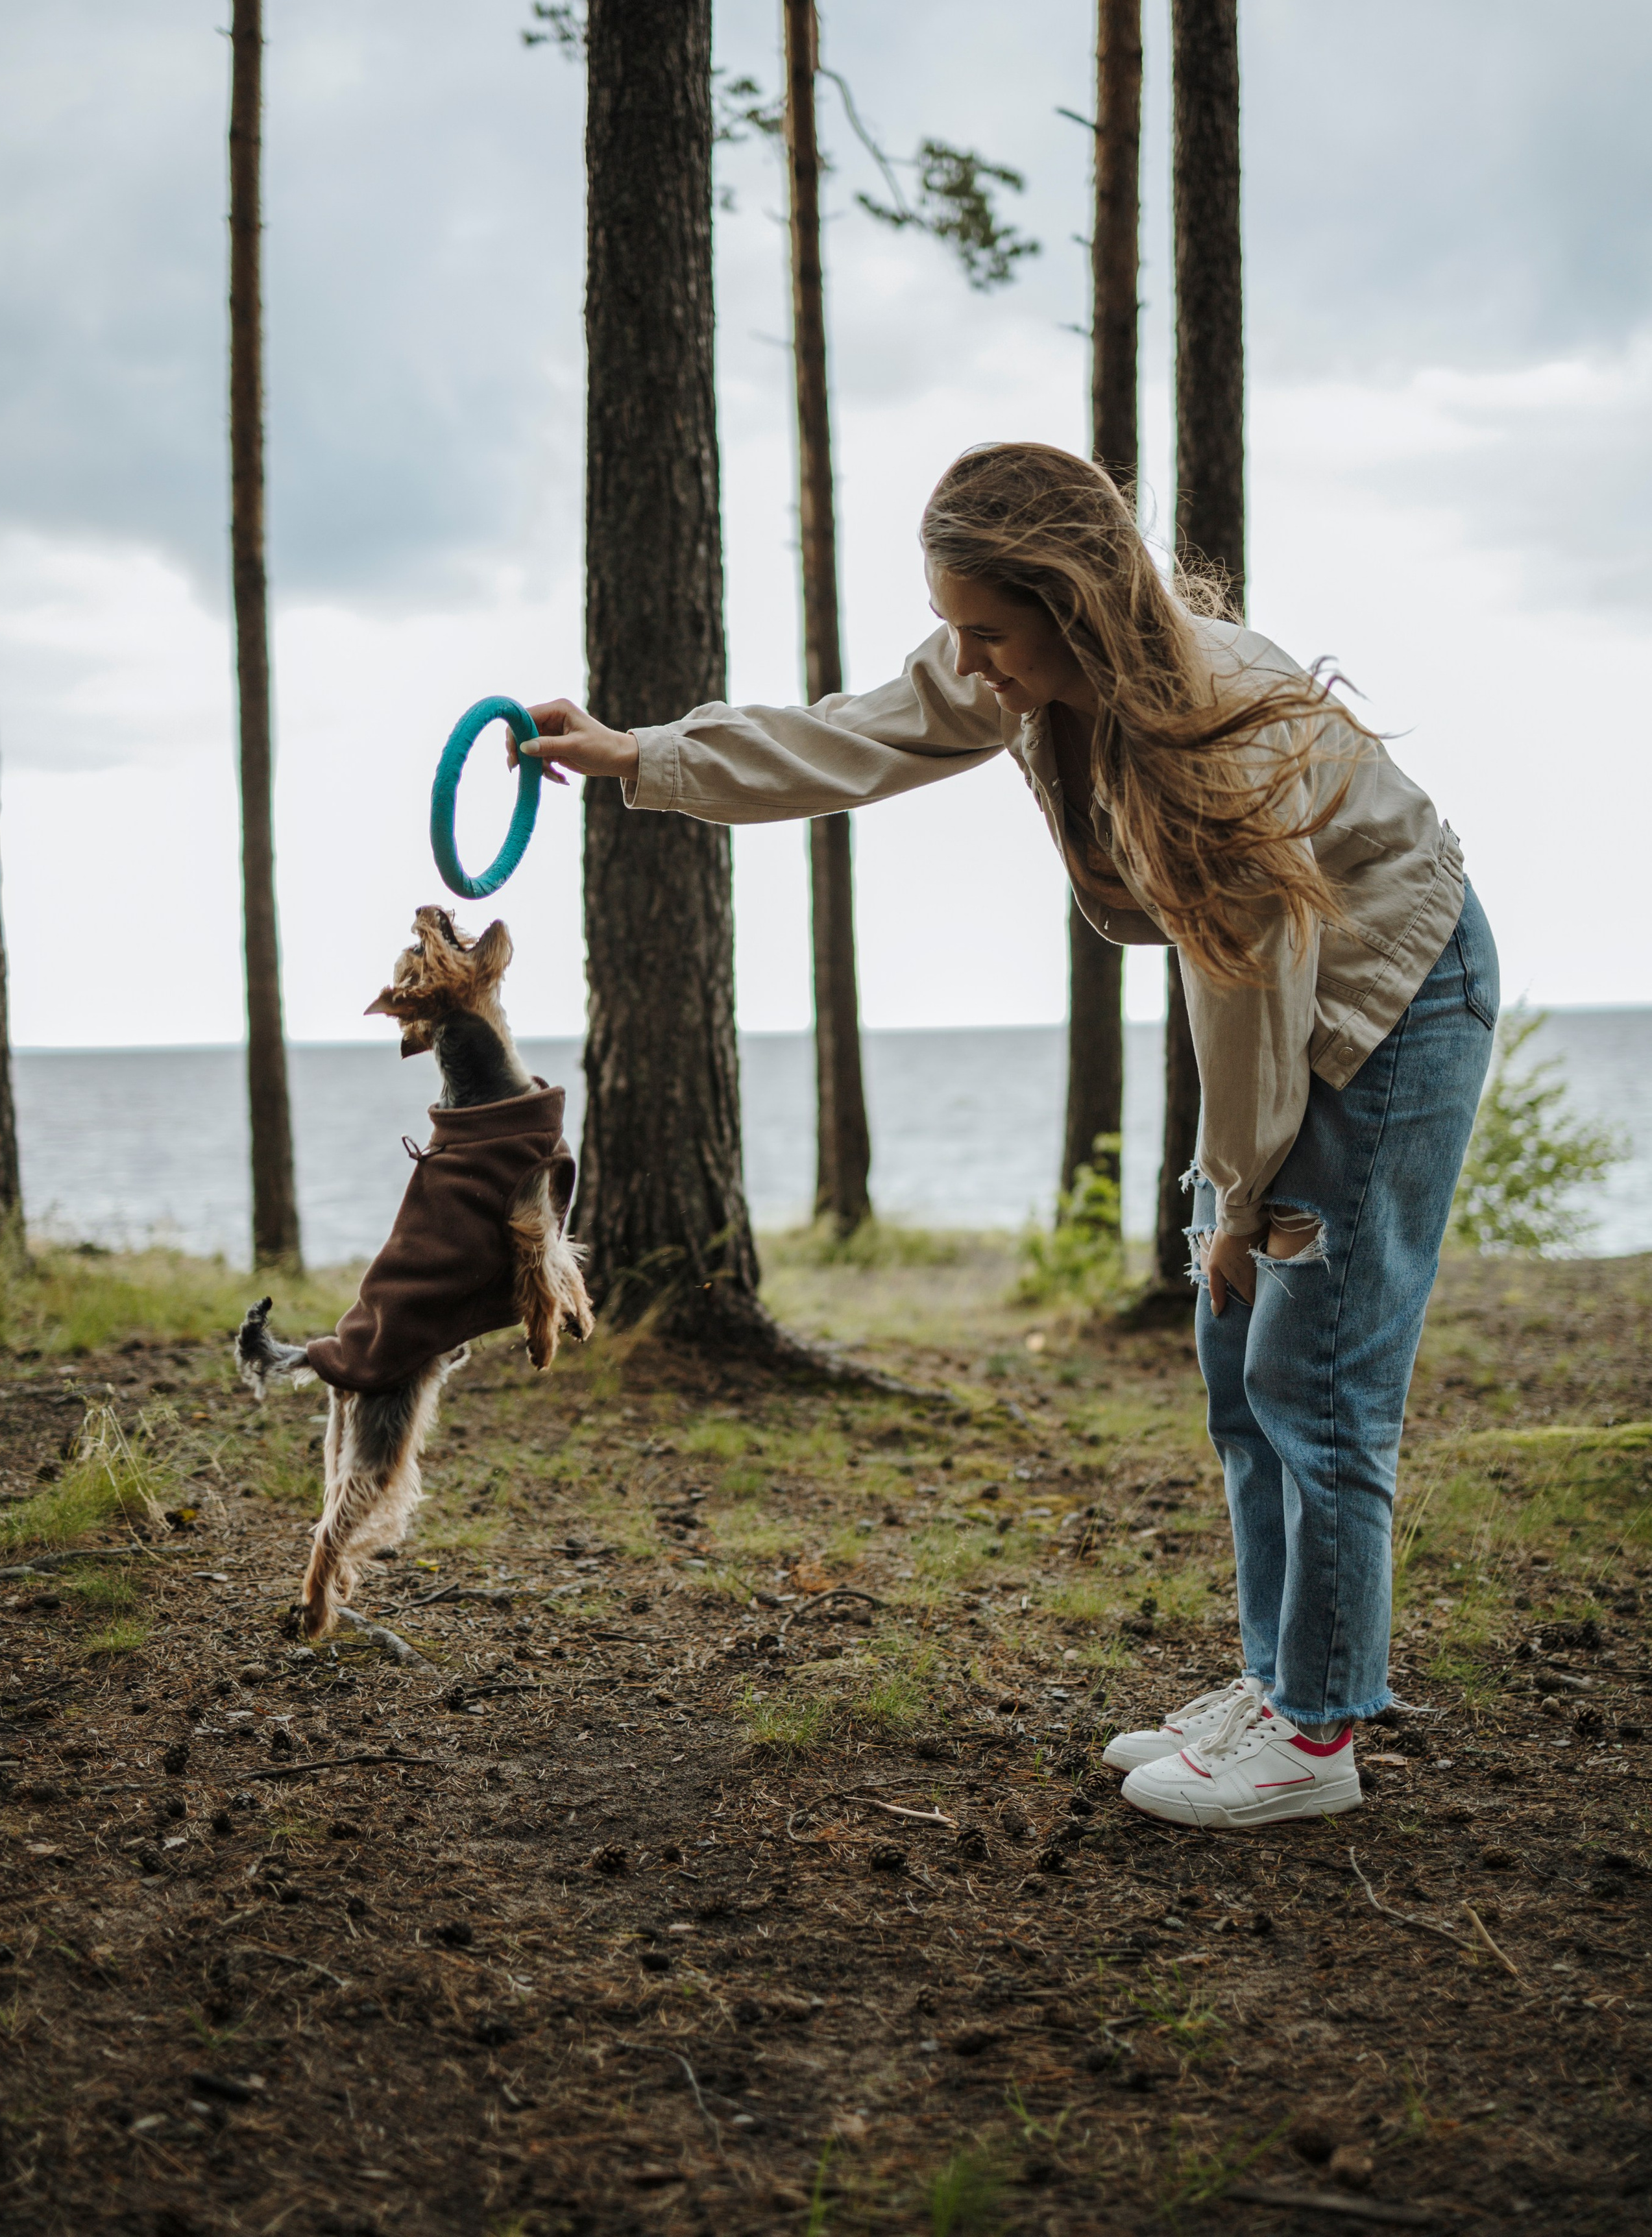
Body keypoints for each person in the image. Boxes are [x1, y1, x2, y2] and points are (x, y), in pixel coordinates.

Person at [514, 440, 1498, 1832]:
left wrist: (1234, 1205)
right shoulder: (1024, 671)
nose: (967, 662)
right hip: (1284, 992)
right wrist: (637, 756)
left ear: (1072, 605)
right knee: (1237, 1366)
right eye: (953, 628)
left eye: (986, 632)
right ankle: (1283, 1676)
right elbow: (849, 737)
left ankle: (1316, 1736)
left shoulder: (1209, 729)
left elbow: (1255, 992)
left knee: (1312, 1370)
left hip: (1390, 1000)